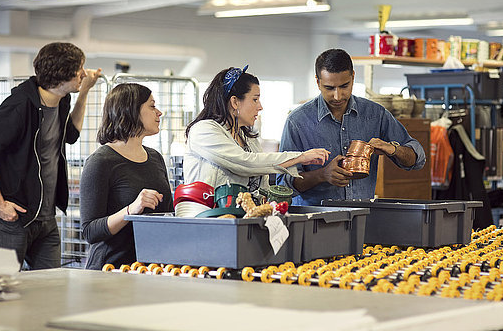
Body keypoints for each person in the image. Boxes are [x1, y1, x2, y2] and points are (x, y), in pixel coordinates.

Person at [0, 42, 101, 270]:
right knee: (5, 291)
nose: (84, 73)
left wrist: (84, 92)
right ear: (62, 74)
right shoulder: (20, 105)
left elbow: (70, 134)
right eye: (79, 69)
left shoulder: (62, 100)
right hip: (12, 219)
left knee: (49, 293)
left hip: (45, 219)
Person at [278, 48, 426, 205]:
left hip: (362, 220)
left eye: (344, 86)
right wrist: (322, 175)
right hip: (316, 223)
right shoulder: (298, 121)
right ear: (317, 82)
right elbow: (283, 184)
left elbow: (418, 160)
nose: (338, 95)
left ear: (353, 77)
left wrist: (392, 149)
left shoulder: (375, 114)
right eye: (329, 88)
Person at [184, 65, 330, 196]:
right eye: (255, 99)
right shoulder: (204, 130)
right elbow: (244, 163)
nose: (260, 107)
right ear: (235, 102)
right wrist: (300, 157)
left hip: (241, 220)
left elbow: (262, 182)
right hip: (207, 219)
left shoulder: (248, 138)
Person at [80, 83, 172, 270]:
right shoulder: (101, 161)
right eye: (152, 106)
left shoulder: (155, 157)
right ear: (131, 110)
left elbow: (167, 215)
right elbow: (90, 231)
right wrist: (131, 210)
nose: (159, 113)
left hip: (151, 270)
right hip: (111, 271)